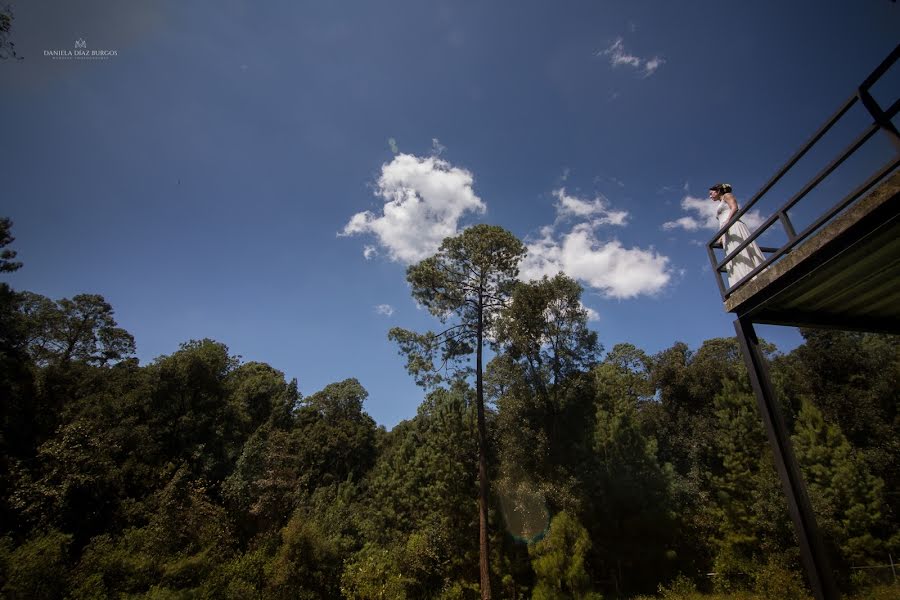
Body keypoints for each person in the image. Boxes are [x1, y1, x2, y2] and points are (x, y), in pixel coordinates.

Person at [709, 183, 766, 287]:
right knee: (732, 253)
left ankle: (752, 275)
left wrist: (728, 220)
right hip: (726, 231)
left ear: (718, 191)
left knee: (740, 247)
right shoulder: (719, 203)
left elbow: (734, 207)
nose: (710, 196)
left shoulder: (727, 195)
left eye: (711, 193)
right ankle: (741, 281)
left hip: (733, 225)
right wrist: (721, 236)